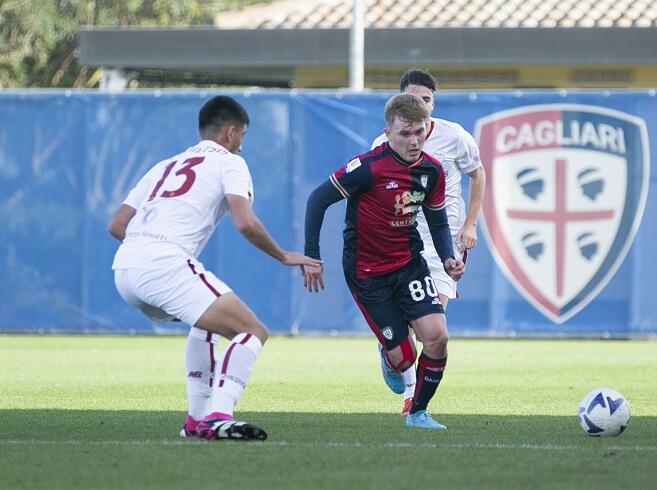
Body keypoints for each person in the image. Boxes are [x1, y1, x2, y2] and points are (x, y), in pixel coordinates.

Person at [108, 95, 321, 441]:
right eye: (242, 136)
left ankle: (195, 419)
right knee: (253, 330)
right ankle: (219, 414)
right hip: (163, 264)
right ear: (230, 132)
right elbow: (245, 223)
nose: (241, 143)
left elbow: (116, 224)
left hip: (126, 270)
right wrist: (284, 256)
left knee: (203, 323)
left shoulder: (165, 165)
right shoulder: (231, 162)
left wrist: (146, 250)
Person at [302, 93, 465, 430]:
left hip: (409, 265)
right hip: (367, 273)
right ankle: (391, 355)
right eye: (405, 133)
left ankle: (418, 413)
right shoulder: (367, 167)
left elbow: (436, 221)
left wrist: (448, 256)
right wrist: (312, 256)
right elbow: (318, 199)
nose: (413, 140)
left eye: (419, 131)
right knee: (404, 357)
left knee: (437, 336)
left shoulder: (432, 170)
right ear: (388, 133)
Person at [371, 69, 486, 415]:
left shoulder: (455, 137)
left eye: (427, 100)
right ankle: (397, 363)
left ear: (433, 102)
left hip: (445, 243)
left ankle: (413, 399)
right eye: (414, 99)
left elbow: (477, 173)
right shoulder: (383, 144)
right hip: (401, 241)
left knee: (431, 328)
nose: (421, 106)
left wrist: (470, 224)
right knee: (404, 332)